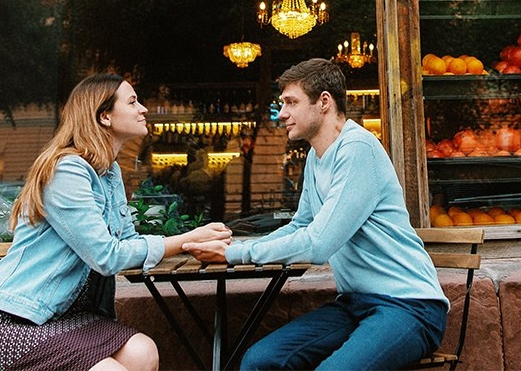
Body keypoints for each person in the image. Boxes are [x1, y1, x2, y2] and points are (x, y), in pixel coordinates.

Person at [183, 58, 448, 371]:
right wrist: (235, 245)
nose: (282, 113)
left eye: (291, 102)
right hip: (355, 303)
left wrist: (233, 254)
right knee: (260, 361)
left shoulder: (357, 149)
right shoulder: (316, 157)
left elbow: (317, 244)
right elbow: (301, 225)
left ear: (324, 102)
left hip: (410, 307)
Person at [0, 72, 232, 371]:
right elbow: (106, 256)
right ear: (104, 116)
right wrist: (184, 240)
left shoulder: (108, 171)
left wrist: (191, 245)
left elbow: (127, 242)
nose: (143, 109)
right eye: (132, 102)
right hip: (10, 324)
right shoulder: (67, 170)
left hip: (69, 319)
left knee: (142, 352)